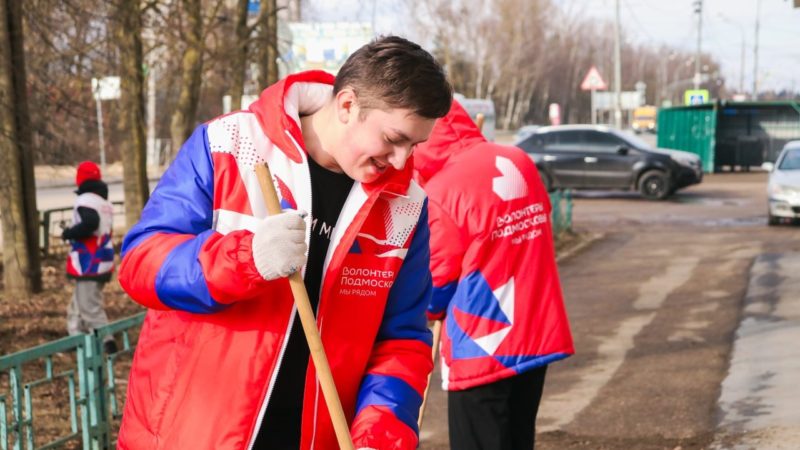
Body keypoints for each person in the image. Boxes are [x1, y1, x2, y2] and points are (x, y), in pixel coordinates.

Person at [116, 36, 452, 450]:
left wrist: (379, 435)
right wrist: (244, 259)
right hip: (190, 434)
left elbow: (400, 341)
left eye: (414, 145)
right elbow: (140, 263)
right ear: (347, 105)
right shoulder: (231, 144)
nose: (401, 161)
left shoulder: (406, 207)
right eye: (393, 139)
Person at [413, 101, 574, 450]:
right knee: (518, 438)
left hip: (483, 344)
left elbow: (436, 281)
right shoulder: (518, 160)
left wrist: (425, 313)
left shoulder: (442, 190)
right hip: (535, 331)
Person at [61, 160, 117, 354]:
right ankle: (77, 342)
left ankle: (107, 343)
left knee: (89, 307)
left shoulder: (86, 200)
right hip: (102, 258)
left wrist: (69, 233)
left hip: (89, 261)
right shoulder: (104, 202)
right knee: (77, 306)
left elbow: (90, 223)